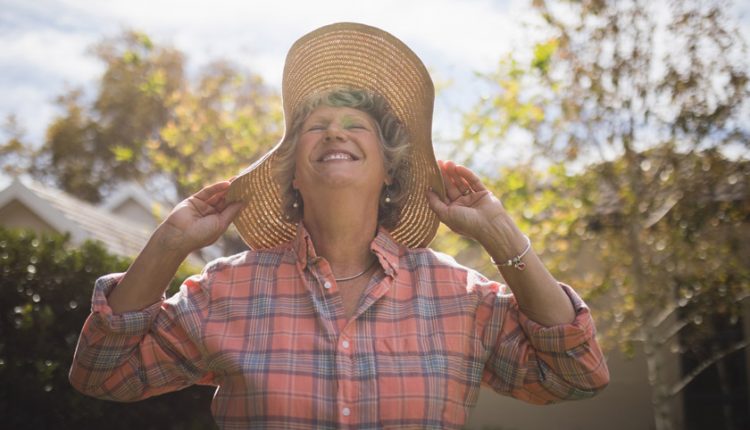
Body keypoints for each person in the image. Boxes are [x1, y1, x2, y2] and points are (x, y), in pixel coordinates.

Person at [69, 22, 609, 429]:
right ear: (292, 173)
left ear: (388, 168)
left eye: (357, 126)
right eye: (315, 127)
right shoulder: (225, 291)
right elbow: (101, 374)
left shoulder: (460, 298)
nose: (335, 133)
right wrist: (168, 242)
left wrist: (498, 231)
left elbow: (576, 375)